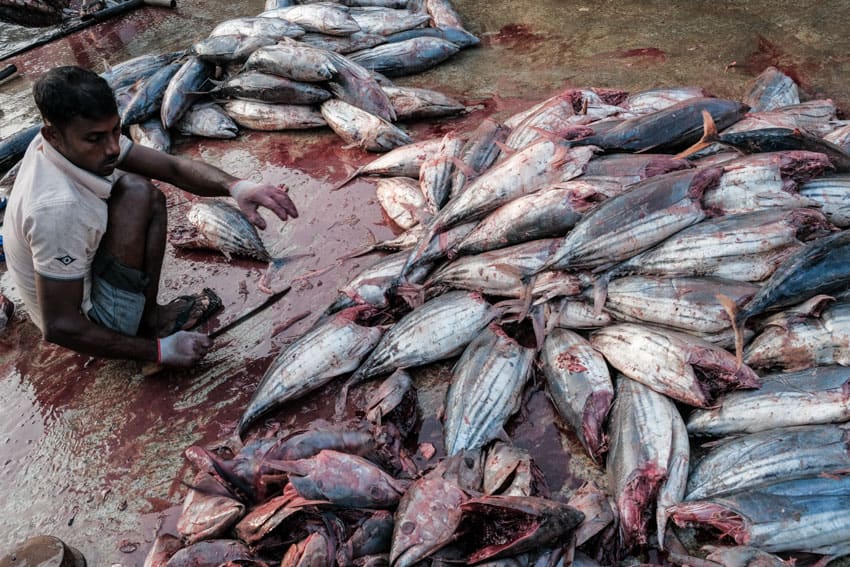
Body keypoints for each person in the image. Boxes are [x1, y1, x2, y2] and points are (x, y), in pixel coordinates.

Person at [3, 65, 299, 367]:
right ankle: (142, 330)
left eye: (116, 130)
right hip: (84, 322)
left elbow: (171, 168)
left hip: (79, 275)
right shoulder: (56, 209)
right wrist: (158, 352)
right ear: (52, 135)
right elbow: (61, 326)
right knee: (136, 194)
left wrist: (237, 187)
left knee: (145, 193)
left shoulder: (65, 144)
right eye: (94, 139)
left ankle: (149, 316)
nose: (112, 148)